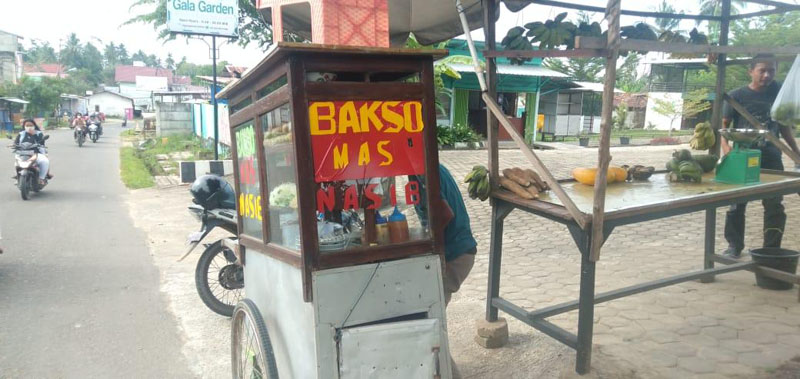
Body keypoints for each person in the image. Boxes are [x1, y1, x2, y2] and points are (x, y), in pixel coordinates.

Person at [721, 54, 800, 258]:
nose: (767, 75)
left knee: (774, 204)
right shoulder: (736, 96)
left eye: (771, 70)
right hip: (742, 158)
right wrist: (727, 152)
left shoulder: (779, 92)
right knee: (737, 204)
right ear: (751, 71)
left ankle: (771, 249)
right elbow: (723, 129)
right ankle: (734, 246)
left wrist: (796, 155)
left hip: (772, 158)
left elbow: (785, 128)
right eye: (762, 70)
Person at [413, 164, 477, 379]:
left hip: (455, 255)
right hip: (459, 250)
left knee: (426, 323)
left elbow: (444, 214)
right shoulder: (433, 164)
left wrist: (426, 241)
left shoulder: (421, 170)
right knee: (429, 320)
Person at [14, 119, 52, 184]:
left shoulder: (38, 133)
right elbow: (16, 142)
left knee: (45, 161)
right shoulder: (21, 134)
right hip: (23, 153)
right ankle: (18, 176)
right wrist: (13, 145)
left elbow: (42, 143)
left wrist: (33, 135)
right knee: (16, 163)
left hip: (36, 153)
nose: (29, 127)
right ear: (24, 126)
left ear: (34, 125)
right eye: (27, 125)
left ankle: (41, 178)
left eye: (31, 125)